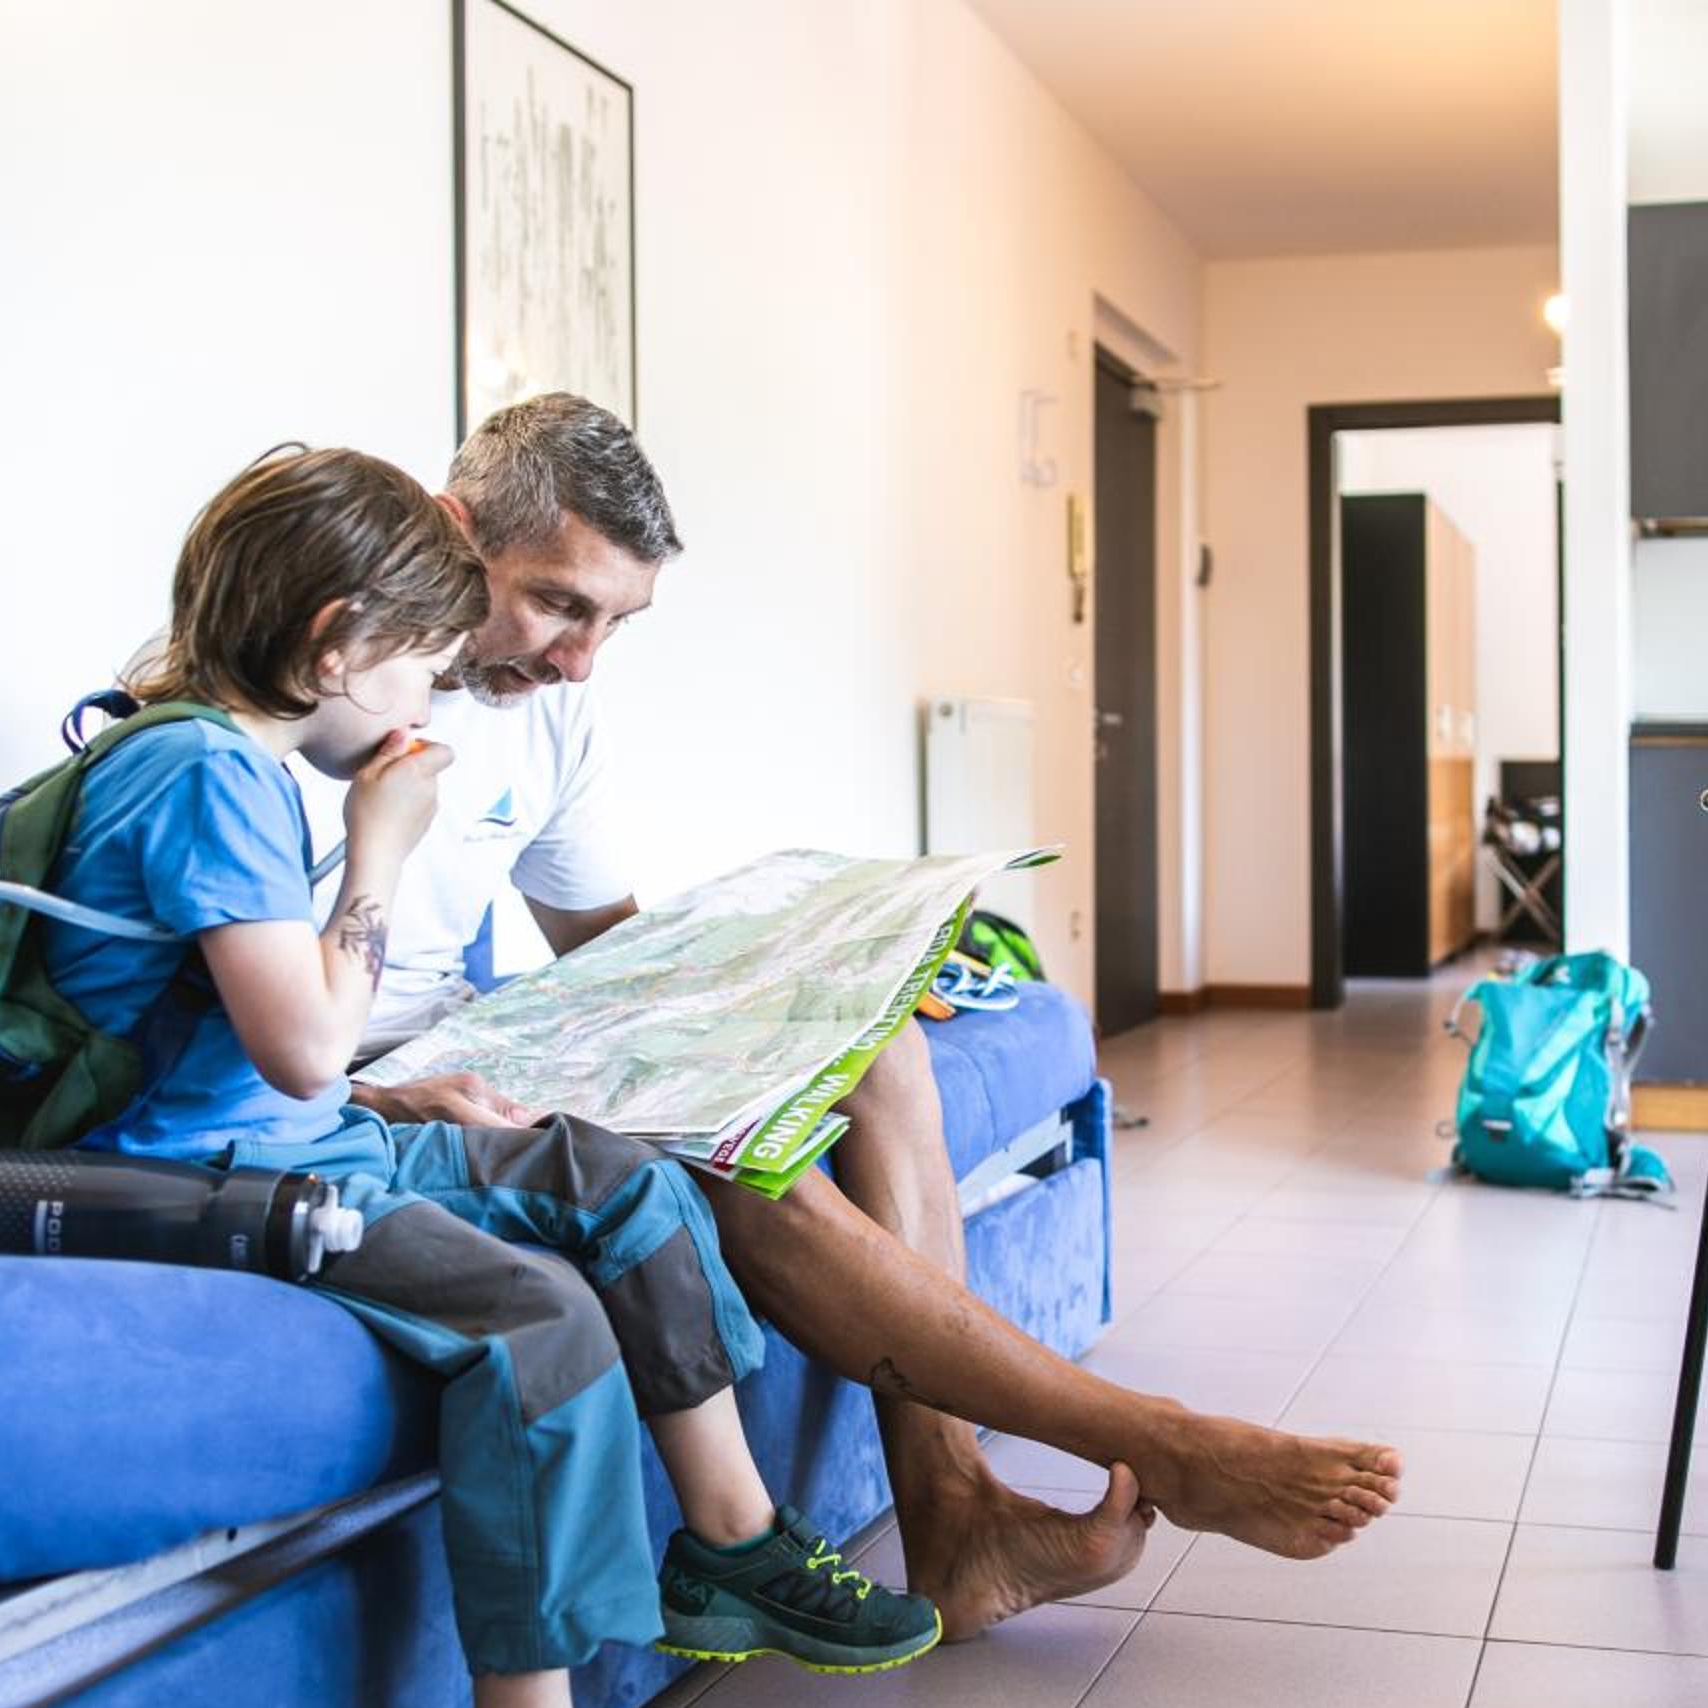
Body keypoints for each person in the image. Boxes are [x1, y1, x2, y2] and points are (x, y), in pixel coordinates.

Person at [63, 442, 943, 1708]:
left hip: (307, 1126)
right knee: (540, 1321)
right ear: (337, 643)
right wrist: (381, 848)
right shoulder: (199, 771)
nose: (436, 697)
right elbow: (304, 1049)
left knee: (615, 1176)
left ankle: (730, 1539)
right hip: (213, 1165)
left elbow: (289, 1049)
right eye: (420, 659)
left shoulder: (239, 764)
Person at [321, 396, 1404, 1633]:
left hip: (477, 1028)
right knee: (731, 1157)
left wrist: (811, 985)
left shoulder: (546, 706)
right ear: (454, 528)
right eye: (559, 604)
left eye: (615, 622)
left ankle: (952, 1509)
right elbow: (208, 1028)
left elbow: (602, 946)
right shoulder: (308, 689)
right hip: (370, 1073)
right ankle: (1160, 1441)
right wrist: (376, 1092)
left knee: (878, 1047)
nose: (580, 660)